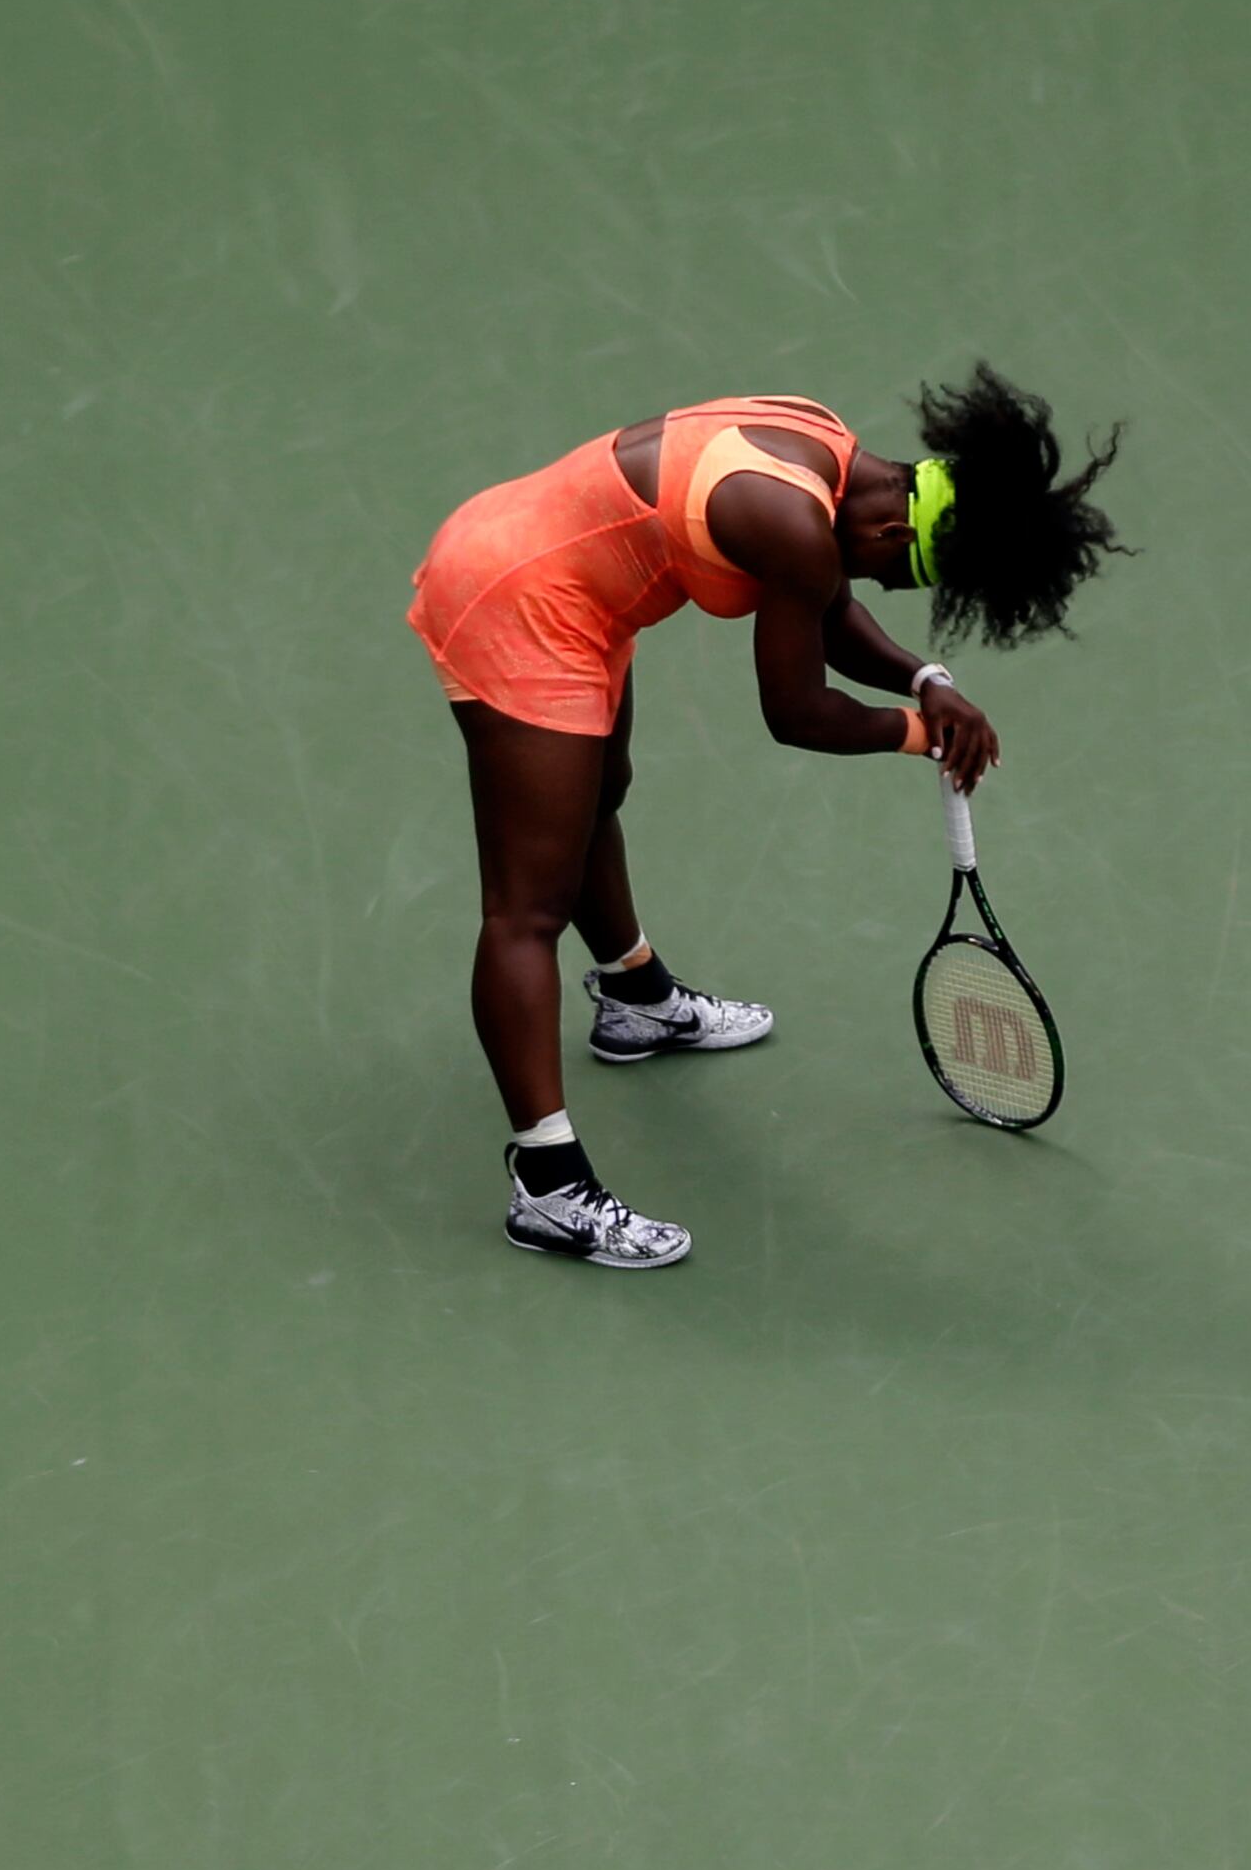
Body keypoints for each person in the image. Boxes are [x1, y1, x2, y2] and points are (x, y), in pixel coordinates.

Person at [407, 368, 1122, 1267]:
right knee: (527, 906)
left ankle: (636, 999)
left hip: (562, 571)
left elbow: (826, 601)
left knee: (595, 796)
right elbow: (796, 711)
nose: (873, 585)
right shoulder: (797, 532)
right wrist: (916, 735)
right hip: (514, 595)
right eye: (891, 575)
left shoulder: (824, 448)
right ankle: (546, 1185)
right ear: (896, 530)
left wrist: (925, 680)